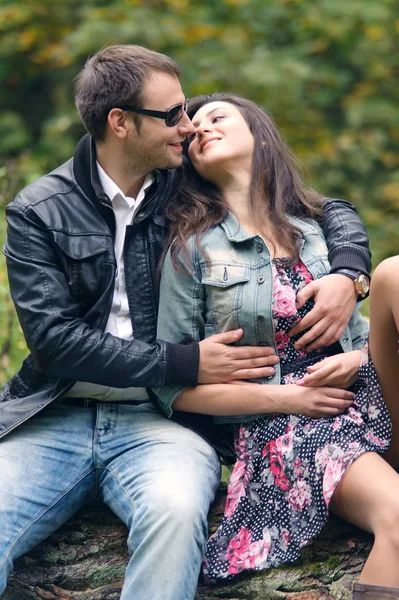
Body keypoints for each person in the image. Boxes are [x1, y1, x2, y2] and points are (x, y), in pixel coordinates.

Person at [0, 45, 372, 600]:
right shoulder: (40, 210)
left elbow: (322, 207)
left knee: (175, 517)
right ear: (120, 123)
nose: (188, 126)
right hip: (56, 412)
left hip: (161, 422)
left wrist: (349, 274)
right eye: (172, 115)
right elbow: (56, 343)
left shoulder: (183, 183)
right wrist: (187, 360)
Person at [154, 92, 399, 599]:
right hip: (294, 424)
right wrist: (287, 397)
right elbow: (174, 391)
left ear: (259, 133)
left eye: (217, 118)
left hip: (371, 393)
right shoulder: (190, 248)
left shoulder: (320, 231)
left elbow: (371, 335)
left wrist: (357, 347)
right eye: (192, 130)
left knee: (394, 274)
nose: (201, 129)